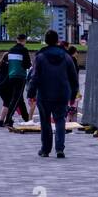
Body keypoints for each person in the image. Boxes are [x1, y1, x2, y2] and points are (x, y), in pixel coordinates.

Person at [25, 29, 79, 158]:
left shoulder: (40, 57)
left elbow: (35, 77)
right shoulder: (66, 57)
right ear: (57, 41)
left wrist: (31, 93)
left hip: (44, 94)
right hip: (62, 93)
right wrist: (73, 95)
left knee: (45, 121)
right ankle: (60, 149)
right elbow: (73, 78)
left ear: (46, 41)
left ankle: (45, 149)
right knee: (60, 120)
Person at [0, 35, 31, 127]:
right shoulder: (24, 50)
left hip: (11, 76)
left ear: (17, 40)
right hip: (20, 76)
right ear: (24, 40)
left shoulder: (11, 50)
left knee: (19, 99)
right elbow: (27, 64)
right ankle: (8, 119)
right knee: (16, 98)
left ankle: (26, 118)